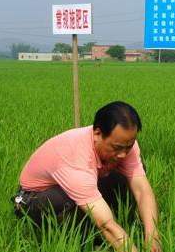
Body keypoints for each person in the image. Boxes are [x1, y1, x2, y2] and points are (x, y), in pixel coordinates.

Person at [13, 101, 160, 252]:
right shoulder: (75, 158)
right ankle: (77, 240)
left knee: (129, 176)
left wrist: (153, 237)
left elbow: (142, 190)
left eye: (128, 146)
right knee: (69, 201)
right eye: (117, 148)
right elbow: (106, 224)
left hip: (77, 185)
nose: (123, 154)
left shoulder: (125, 142)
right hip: (33, 201)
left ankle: (106, 233)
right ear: (97, 134)